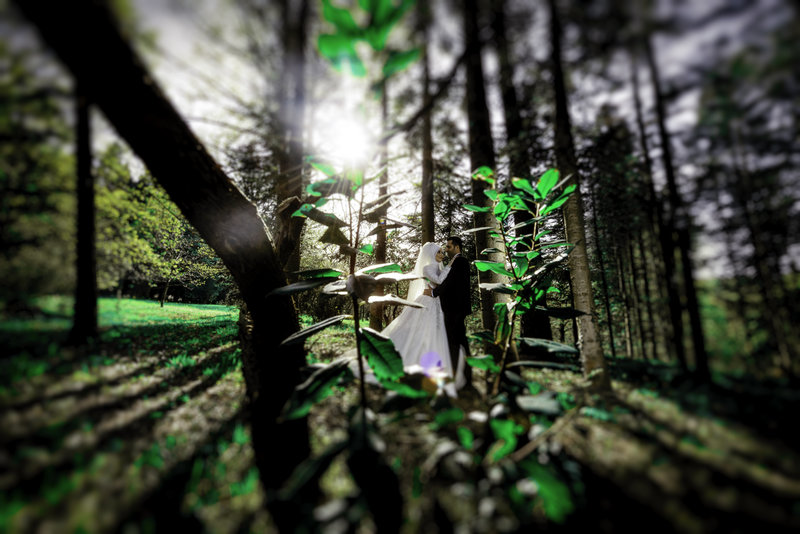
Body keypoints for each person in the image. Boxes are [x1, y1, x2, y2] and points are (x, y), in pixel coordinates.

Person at [381, 242, 465, 387]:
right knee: (422, 330)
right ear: (431, 254)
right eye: (439, 252)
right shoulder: (427, 268)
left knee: (436, 331)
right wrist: (450, 266)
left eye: (442, 252)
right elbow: (439, 280)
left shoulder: (439, 267)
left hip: (437, 302)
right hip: (427, 302)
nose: (442, 255)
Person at [424, 236, 471, 385]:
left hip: (455, 308)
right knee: (460, 341)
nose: (446, 250)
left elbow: (449, 283)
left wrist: (433, 293)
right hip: (454, 308)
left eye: (449, 247)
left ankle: (456, 376)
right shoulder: (452, 263)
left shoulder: (460, 261)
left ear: (457, 247)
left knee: (453, 343)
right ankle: (465, 376)